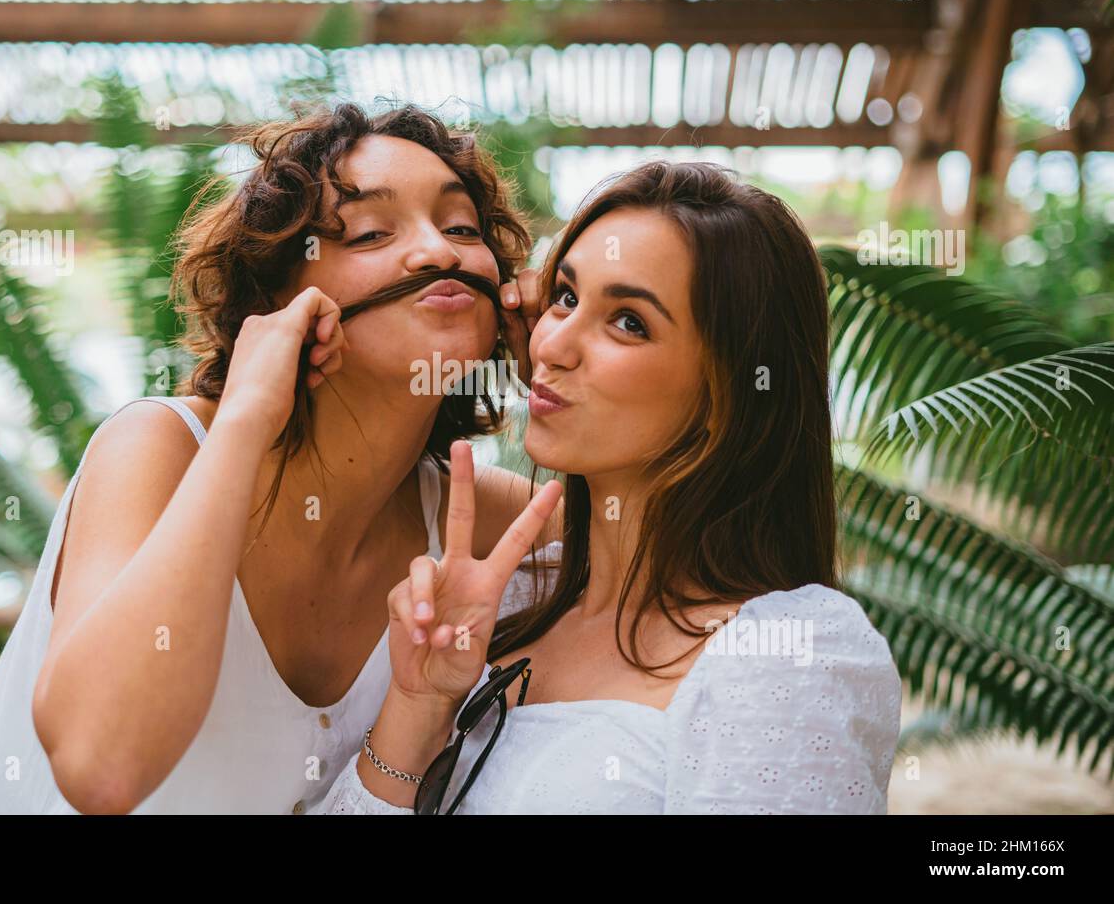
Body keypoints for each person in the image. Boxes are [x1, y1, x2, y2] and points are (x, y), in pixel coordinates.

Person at [0, 102, 557, 814]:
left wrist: (572, 352)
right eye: (368, 232)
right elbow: (100, 765)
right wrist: (244, 416)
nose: (437, 252)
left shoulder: (480, 519)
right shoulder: (161, 447)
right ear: (277, 296)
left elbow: (685, 537)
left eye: (461, 228)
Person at [320, 161, 903, 814]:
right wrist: (419, 703)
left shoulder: (786, 658)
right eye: (565, 297)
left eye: (628, 321)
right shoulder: (503, 603)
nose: (552, 345)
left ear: (729, 397)